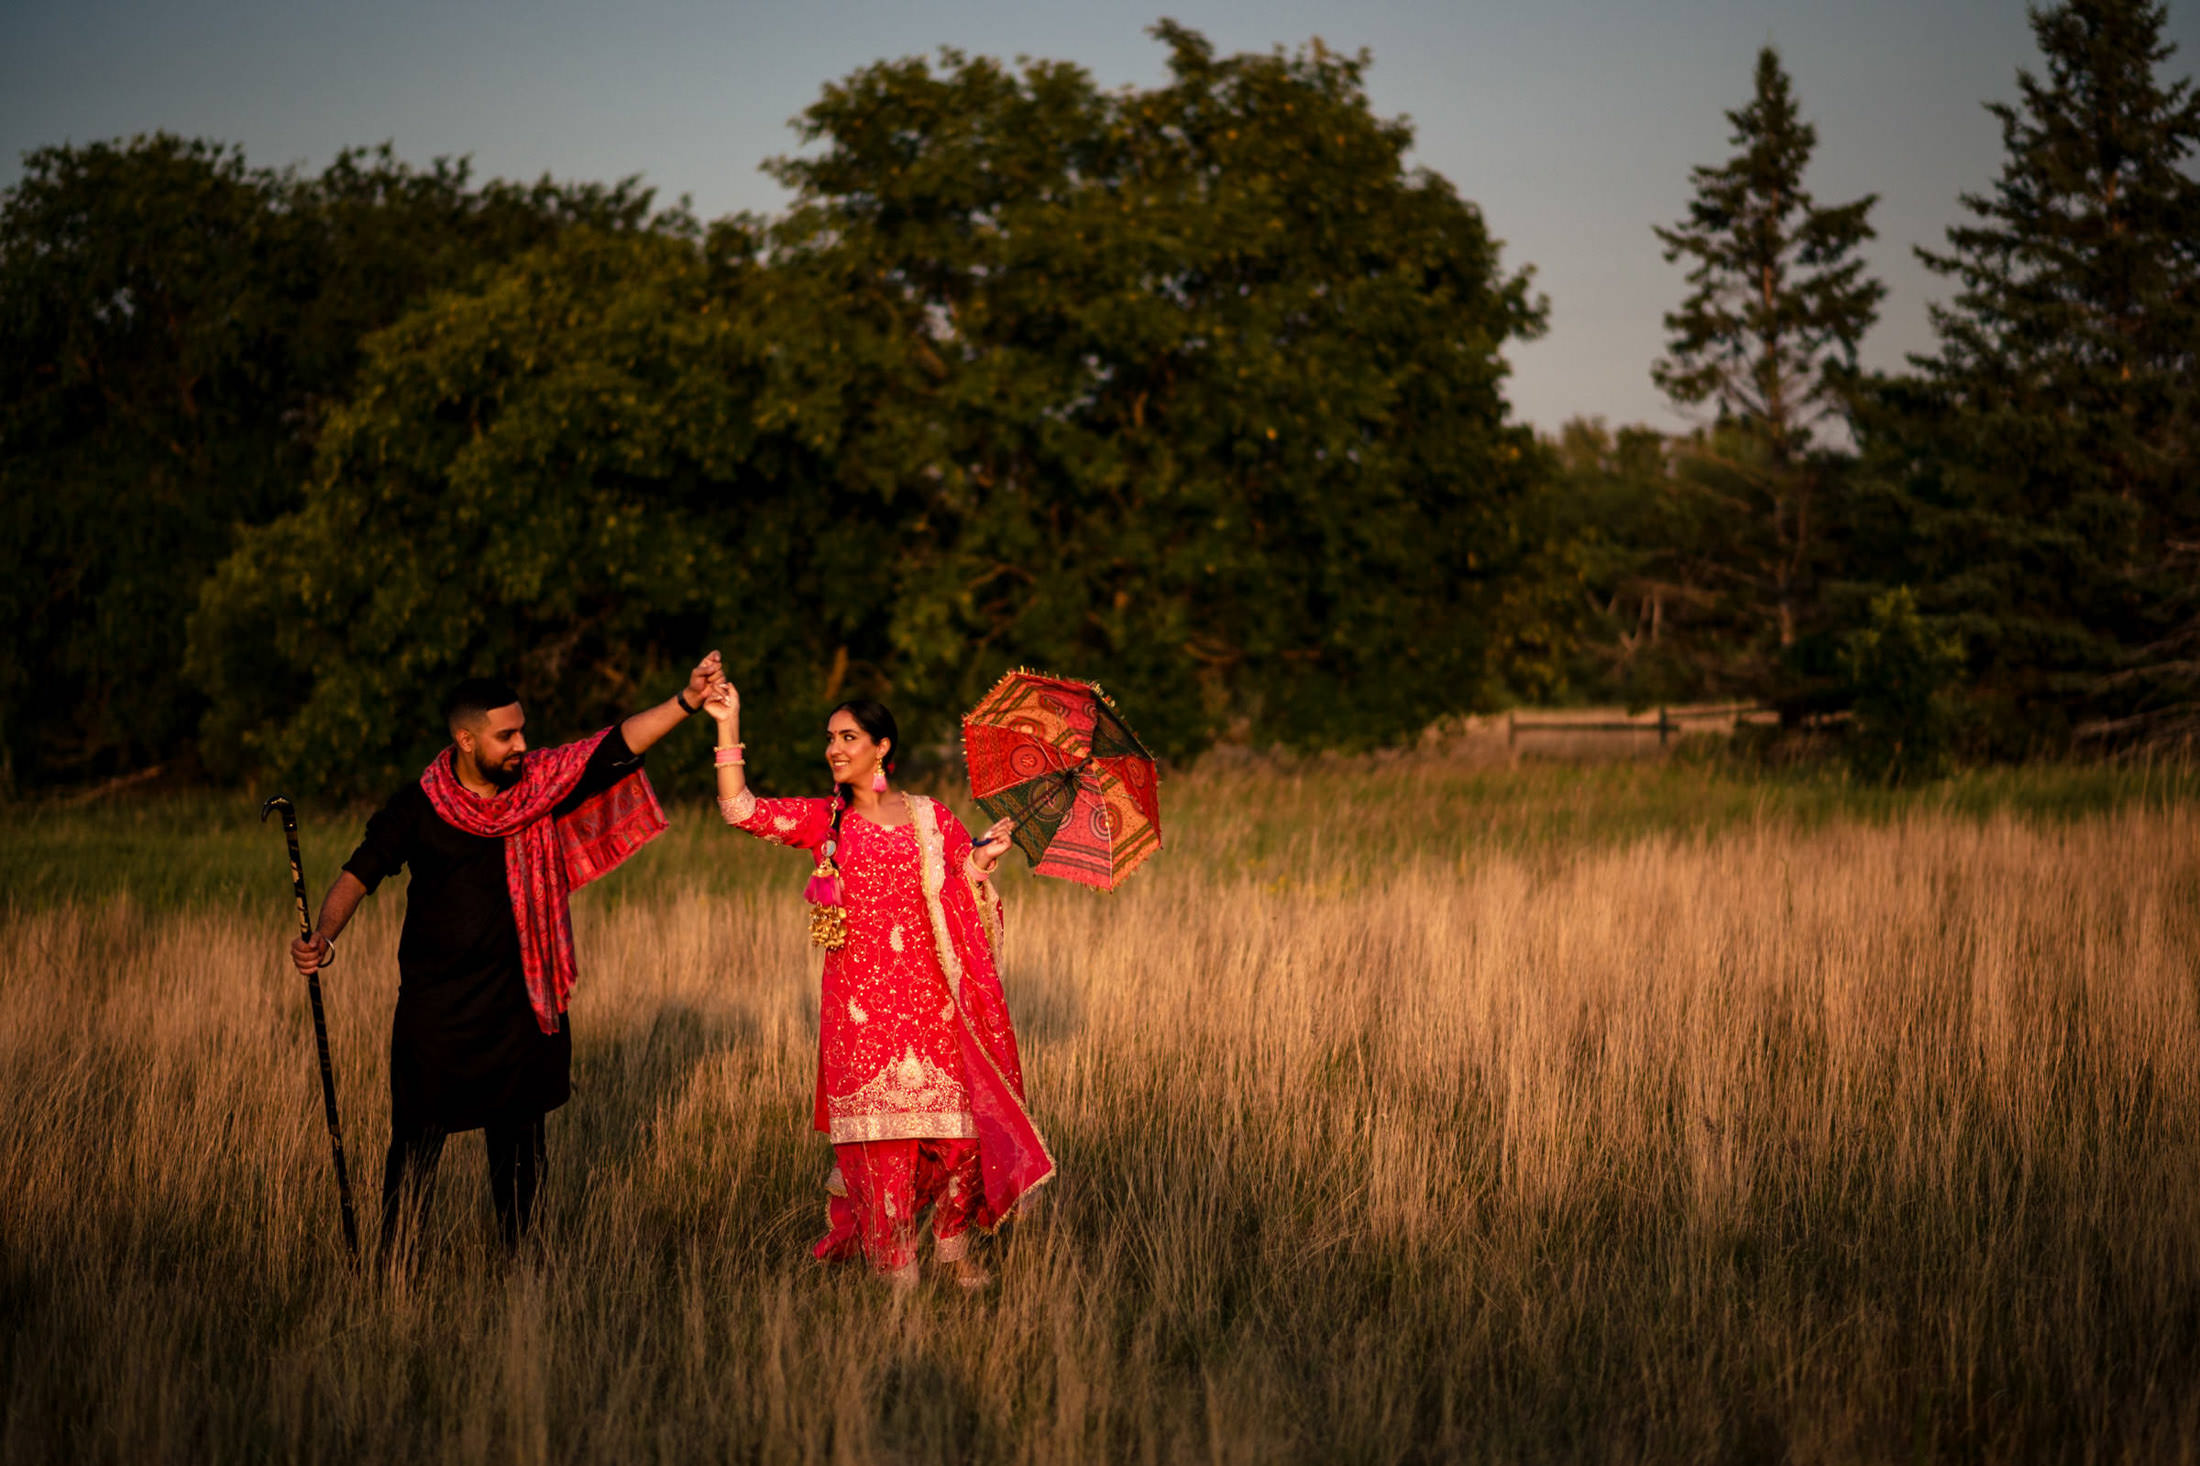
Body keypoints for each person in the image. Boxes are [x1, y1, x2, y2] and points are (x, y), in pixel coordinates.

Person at [288, 653, 725, 1259]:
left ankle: (523, 1278)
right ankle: (390, 1276)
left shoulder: (539, 785)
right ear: (465, 740)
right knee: (414, 1148)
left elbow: (613, 744)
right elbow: (360, 873)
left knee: (521, 1153)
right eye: (506, 735)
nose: (522, 743)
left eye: (522, 729)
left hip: (525, 1002)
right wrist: (325, 936)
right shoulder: (419, 804)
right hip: (436, 1012)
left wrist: (685, 700)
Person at [704, 681, 1052, 1288]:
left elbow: (955, 882)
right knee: (879, 1143)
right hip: (861, 1005)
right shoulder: (827, 819)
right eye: (830, 740)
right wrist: (727, 725)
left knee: (960, 1134)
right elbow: (741, 810)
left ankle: (952, 1247)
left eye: (848, 738)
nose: (835, 749)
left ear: (881, 747)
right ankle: (896, 1263)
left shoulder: (929, 815)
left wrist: (980, 862)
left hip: (932, 1000)